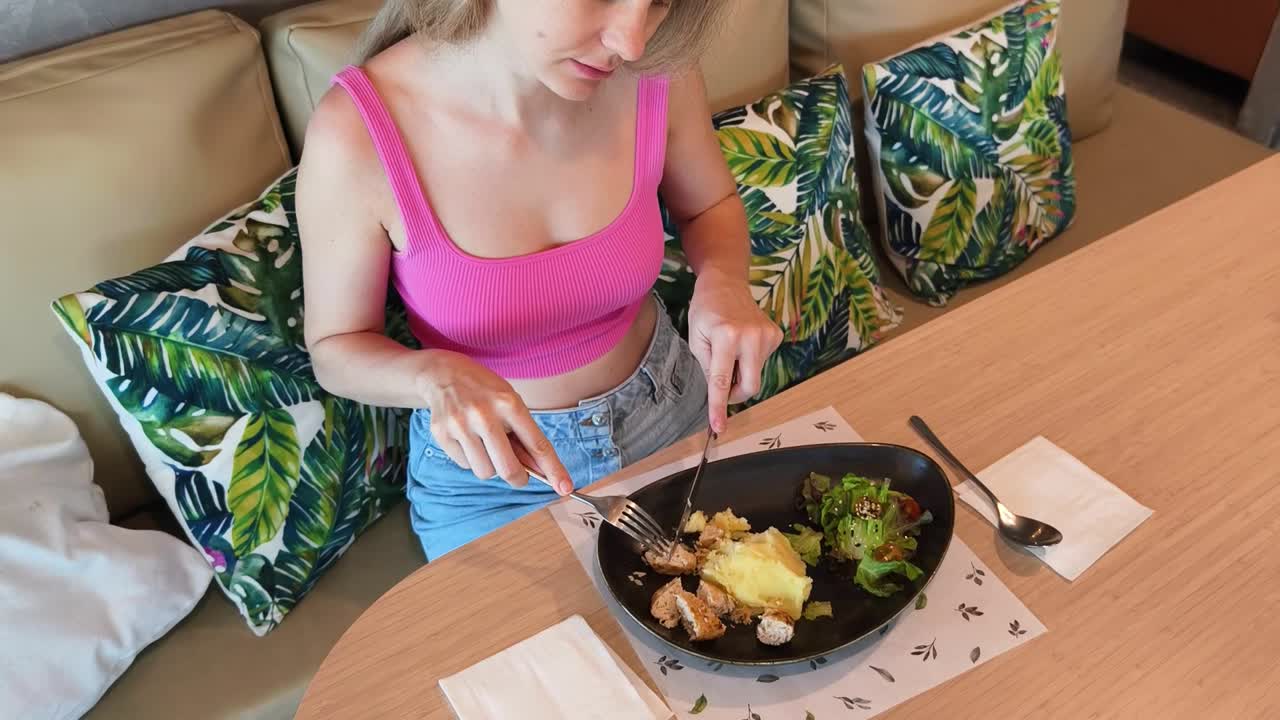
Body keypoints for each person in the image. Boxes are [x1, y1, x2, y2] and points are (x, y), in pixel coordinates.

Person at [296, 0, 782, 561]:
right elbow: (335, 349)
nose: (632, 41)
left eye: (660, 2)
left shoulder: (659, 69)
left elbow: (709, 206)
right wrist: (433, 376)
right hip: (494, 477)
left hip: (672, 413)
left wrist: (724, 280)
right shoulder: (355, 134)